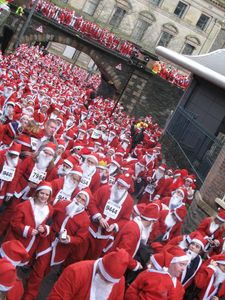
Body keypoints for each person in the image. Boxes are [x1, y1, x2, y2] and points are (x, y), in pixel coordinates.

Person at [24, 190, 91, 300]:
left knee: (45, 270)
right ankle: (29, 295)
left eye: (83, 200)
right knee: (39, 270)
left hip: (60, 249)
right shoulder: (63, 204)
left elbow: (80, 239)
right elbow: (49, 213)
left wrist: (69, 239)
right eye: (79, 197)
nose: (79, 200)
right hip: (48, 238)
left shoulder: (85, 220)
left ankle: (29, 283)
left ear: (85, 204)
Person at [83, 174, 133, 260]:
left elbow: (125, 219)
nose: (119, 188)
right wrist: (99, 217)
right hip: (90, 229)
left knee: (92, 258)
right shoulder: (105, 189)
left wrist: (115, 226)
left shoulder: (129, 201)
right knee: (79, 252)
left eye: (122, 186)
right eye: (118, 184)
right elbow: (92, 203)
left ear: (126, 188)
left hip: (104, 236)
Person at [48, 248, 131, 300]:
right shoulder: (75, 272)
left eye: (111, 282)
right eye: (105, 279)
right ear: (100, 268)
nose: (108, 283)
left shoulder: (120, 281)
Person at [4, 181, 53, 258]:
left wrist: (44, 229)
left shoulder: (49, 209)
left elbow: (49, 224)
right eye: (42, 193)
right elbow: (14, 223)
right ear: (37, 193)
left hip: (31, 243)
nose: (44, 196)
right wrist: (27, 230)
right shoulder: (23, 206)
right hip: (16, 239)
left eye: (47, 194)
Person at [125, 246, 190, 300]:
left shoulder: (180, 289)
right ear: (170, 262)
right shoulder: (148, 274)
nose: (183, 269)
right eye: (181, 264)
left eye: (185, 266)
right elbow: (130, 293)